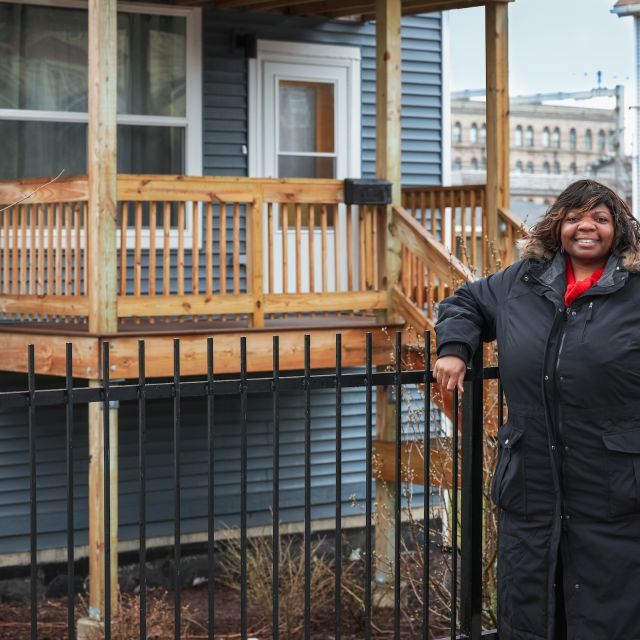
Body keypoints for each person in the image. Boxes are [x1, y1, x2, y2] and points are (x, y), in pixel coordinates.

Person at [433, 180, 640, 640]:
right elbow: (464, 301)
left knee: (609, 614)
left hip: (612, 487)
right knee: (533, 613)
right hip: (532, 484)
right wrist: (454, 347)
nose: (586, 227)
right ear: (558, 227)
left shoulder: (635, 289)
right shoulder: (521, 281)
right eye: (574, 218)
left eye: (600, 219)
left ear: (618, 229)